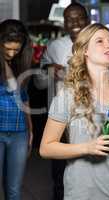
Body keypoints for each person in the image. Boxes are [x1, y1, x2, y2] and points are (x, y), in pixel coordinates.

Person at [39, 23, 109, 200]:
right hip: (82, 191)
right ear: (85, 51)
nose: (108, 45)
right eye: (100, 41)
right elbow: (46, 148)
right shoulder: (68, 94)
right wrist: (87, 147)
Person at [35, 3, 90, 199]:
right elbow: (40, 84)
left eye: (79, 17)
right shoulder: (55, 46)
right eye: (69, 19)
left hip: (88, 122)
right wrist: (48, 71)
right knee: (60, 178)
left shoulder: (98, 43)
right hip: (60, 123)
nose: (74, 22)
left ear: (88, 20)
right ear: (64, 23)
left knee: (88, 176)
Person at [0, 19, 33, 200]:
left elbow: (24, 99)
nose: (12, 53)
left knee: (14, 190)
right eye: (7, 49)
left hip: (19, 133)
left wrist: (30, 129)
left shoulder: (20, 64)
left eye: (16, 49)